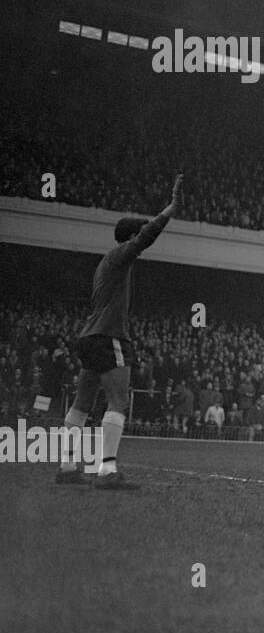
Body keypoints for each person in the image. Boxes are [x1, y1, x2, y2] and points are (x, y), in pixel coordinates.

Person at [56, 173, 183, 489]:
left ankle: (68, 467)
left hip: (90, 337)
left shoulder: (106, 263)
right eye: (137, 232)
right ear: (130, 236)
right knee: (117, 401)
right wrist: (171, 208)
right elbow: (147, 236)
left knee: (82, 403)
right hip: (109, 336)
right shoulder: (122, 254)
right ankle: (107, 471)